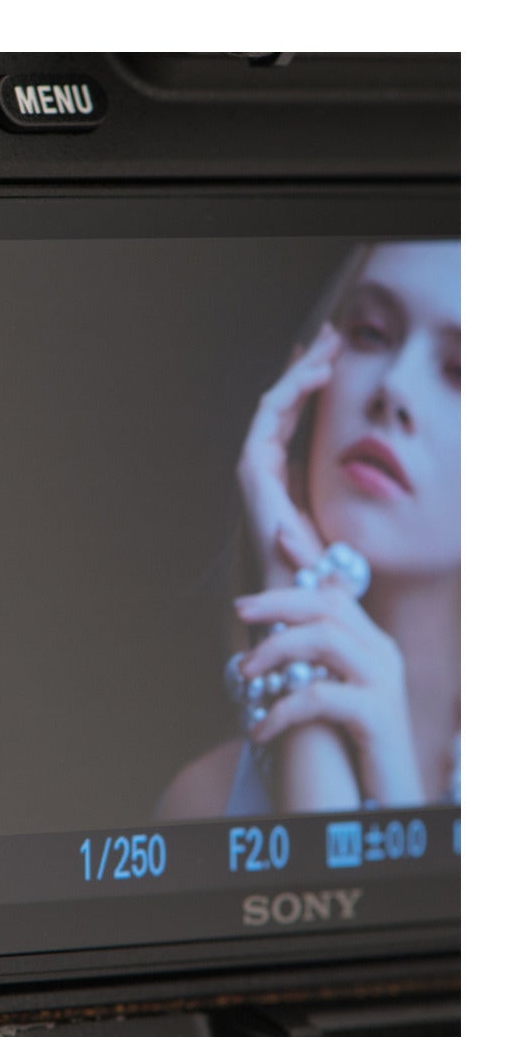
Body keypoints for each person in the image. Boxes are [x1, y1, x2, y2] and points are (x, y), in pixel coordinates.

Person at [156, 240, 460, 819]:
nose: (394, 387)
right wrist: (289, 576)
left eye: (460, 372)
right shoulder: (203, 805)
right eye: (371, 333)